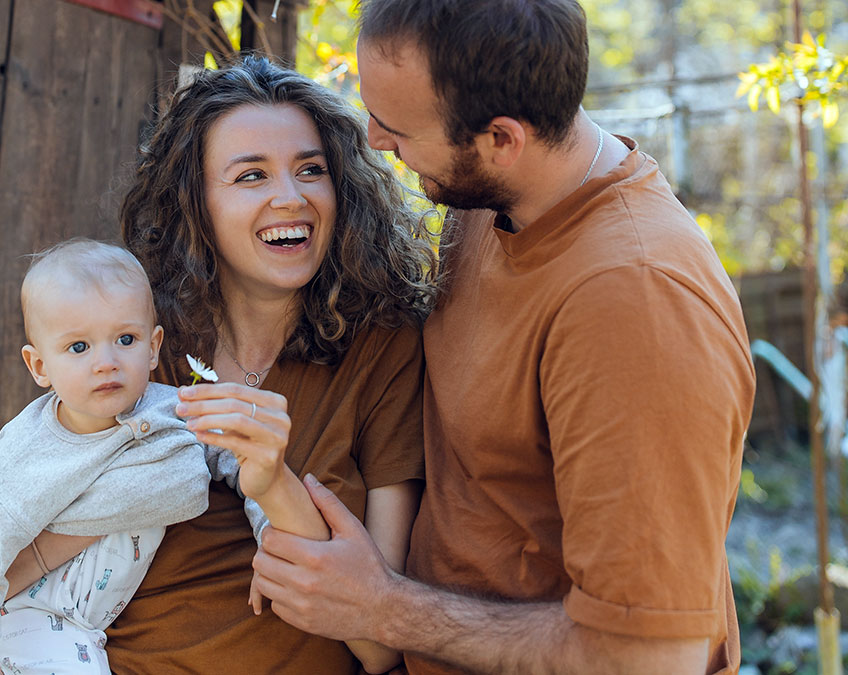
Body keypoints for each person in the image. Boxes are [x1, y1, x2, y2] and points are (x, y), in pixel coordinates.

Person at [249, 1, 757, 674]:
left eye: (396, 124)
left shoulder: (635, 304)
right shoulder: (497, 199)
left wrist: (382, 608)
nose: (374, 139)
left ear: (501, 140)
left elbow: (651, 658)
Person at [0, 55, 438, 674]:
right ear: (195, 201)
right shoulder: (132, 345)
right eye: (251, 176)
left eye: (312, 170)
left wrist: (270, 484)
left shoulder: (381, 346)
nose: (290, 196)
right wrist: (159, 489)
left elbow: (380, 647)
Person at [0, 239, 317, 675]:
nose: (107, 362)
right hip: (28, 618)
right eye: (79, 347)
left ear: (153, 347)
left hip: (92, 629)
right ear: (39, 366)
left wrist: (269, 537)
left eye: (125, 338)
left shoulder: (175, 410)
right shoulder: (26, 452)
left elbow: (244, 461)